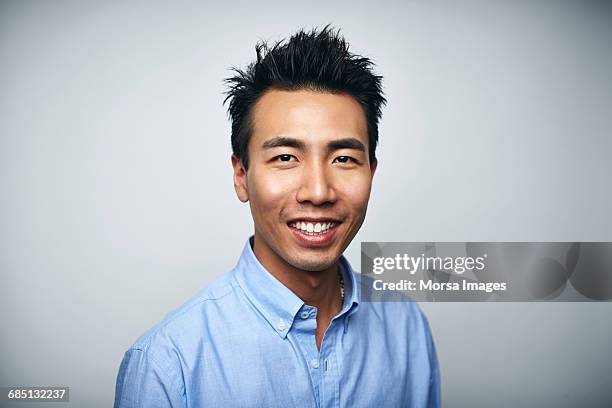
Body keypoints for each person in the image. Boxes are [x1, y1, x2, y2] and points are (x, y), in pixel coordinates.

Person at [114, 24, 440, 408]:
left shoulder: (407, 329)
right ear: (241, 176)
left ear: (371, 171)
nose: (318, 192)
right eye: (285, 157)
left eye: (344, 158)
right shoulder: (168, 364)